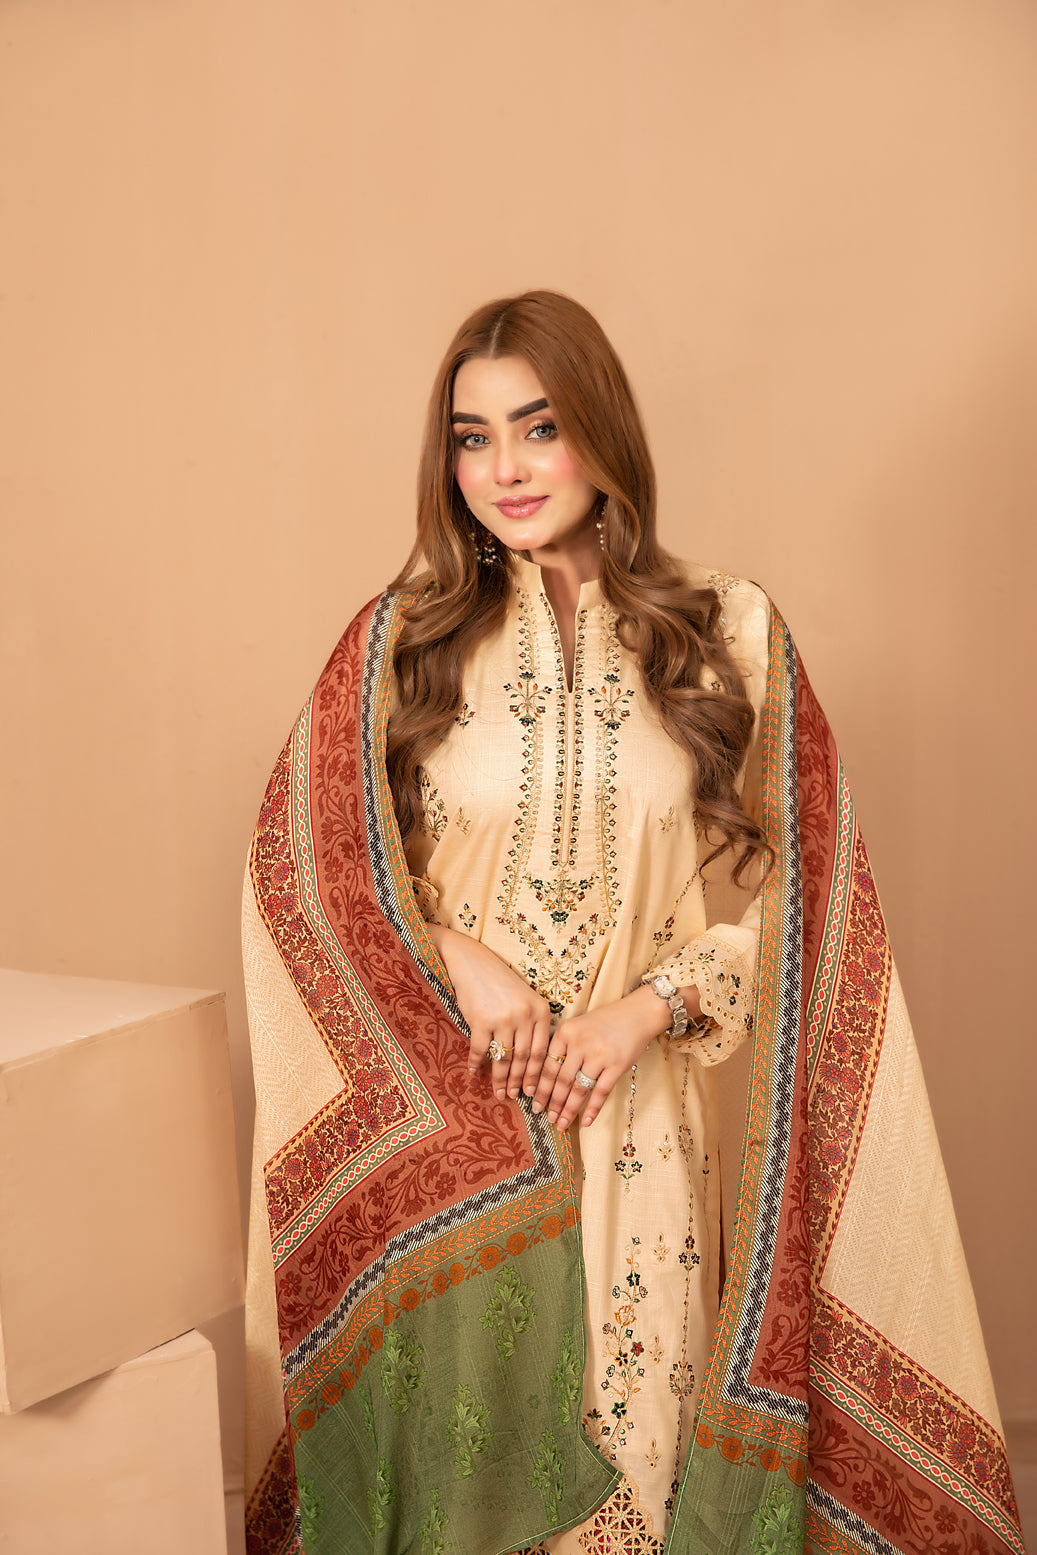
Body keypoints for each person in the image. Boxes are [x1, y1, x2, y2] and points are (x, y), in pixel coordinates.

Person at [242, 292, 1022, 1555]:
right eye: (472, 437)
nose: (504, 468)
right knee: (469, 1474)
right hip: (456, 1134)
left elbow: (811, 914)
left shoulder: (724, 632)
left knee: (636, 1465)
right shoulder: (397, 645)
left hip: (641, 1128)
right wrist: (462, 961)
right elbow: (303, 878)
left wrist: (642, 1011)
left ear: (600, 432)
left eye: (538, 428)